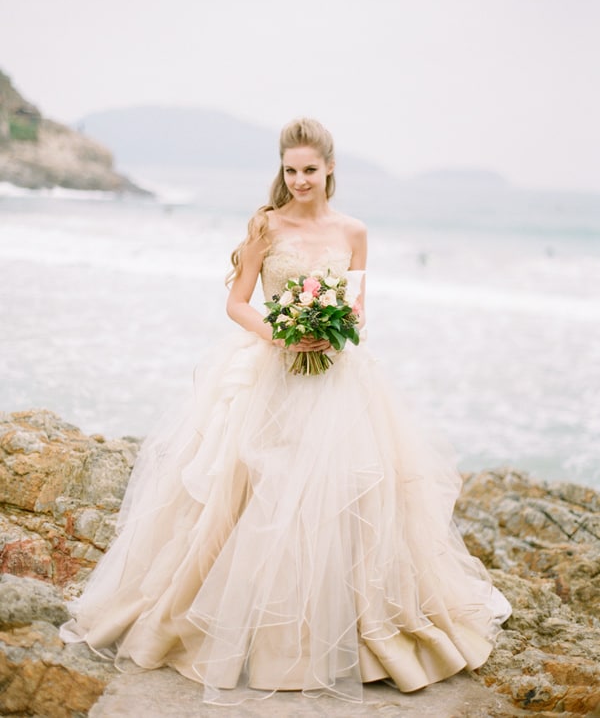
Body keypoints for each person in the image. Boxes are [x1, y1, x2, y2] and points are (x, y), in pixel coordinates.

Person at [60, 117, 511, 705]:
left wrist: (332, 331)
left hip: (336, 379)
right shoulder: (264, 227)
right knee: (248, 493)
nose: (299, 180)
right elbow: (236, 302)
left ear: (329, 170)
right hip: (268, 373)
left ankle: (339, 631)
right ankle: (238, 630)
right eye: (290, 170)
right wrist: (283, 331)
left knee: (339, 501)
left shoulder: (354, 231)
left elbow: (358, 311)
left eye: (310, 170)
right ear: (283, 170)